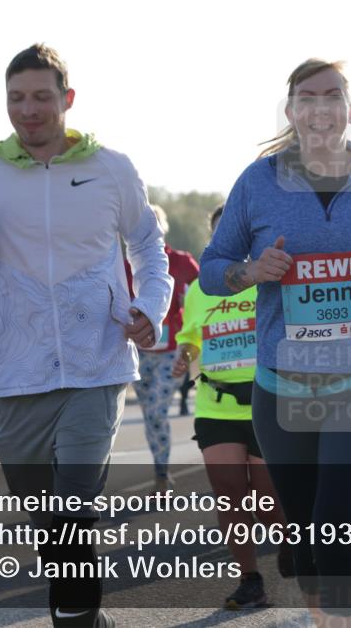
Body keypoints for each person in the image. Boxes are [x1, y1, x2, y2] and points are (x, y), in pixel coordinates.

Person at [0, 44, 173, 628]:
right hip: (18, 375)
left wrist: (149, 307)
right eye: (17, 98)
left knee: (73, 509)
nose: (29, 110)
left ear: (68, 99)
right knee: (49, 525)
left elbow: (148, 246)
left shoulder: (111, 168)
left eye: (41, 97)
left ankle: (76, 621)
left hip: (97, 365)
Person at [199, 58, 351, 626]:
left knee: (334, 532)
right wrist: (252, 271)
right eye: (308, 96)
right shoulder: (257, 182)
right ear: (292, 111)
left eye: (333, 95)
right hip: (285, 387)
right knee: (303, 545)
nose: (321, 107)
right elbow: (212, 269)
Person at [171, 204, 293, 609]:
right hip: (216, 405)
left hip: (267, 401)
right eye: (220, 235)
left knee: (267, 500)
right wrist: (185, 355)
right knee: (229, 495)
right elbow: (192, 336)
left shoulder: (271, 281)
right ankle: (250, 580)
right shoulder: (200, 289)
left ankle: (291, 540)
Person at [134, 204, 199, 493]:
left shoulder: (181, 261)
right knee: (150, 415)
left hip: (171, 352)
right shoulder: (126, 264)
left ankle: (161, 474)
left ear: (163, 229)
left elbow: (205, 292)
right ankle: (160, 469)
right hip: (138, 354)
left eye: (155, 225)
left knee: (157, 412)